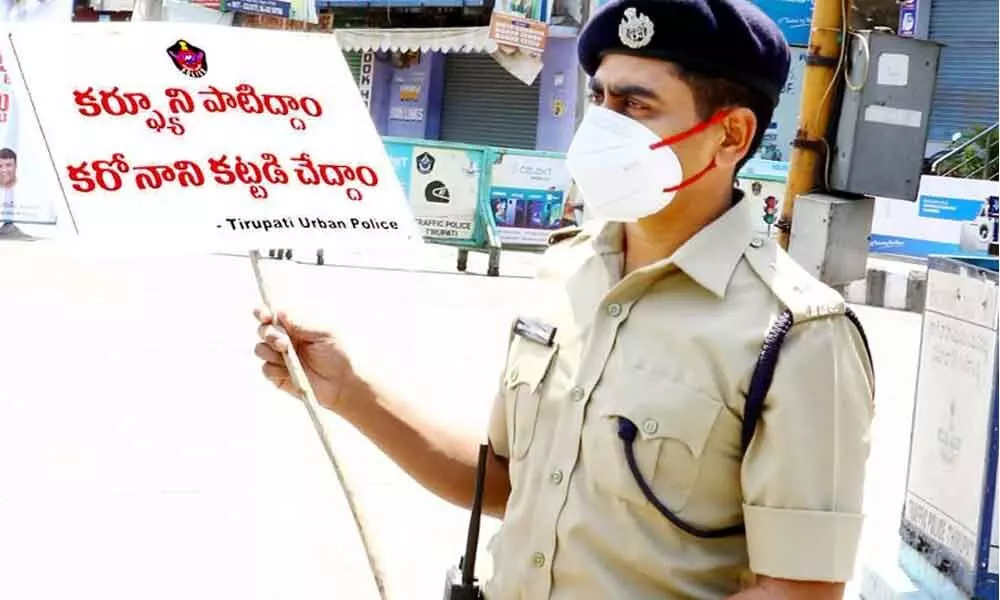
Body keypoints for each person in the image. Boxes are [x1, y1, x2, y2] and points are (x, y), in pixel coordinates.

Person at [253, 0, 875, 597]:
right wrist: (351, 393)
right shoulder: (567, 270)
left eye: (636, 105)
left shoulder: (799, 334)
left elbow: (799, 588)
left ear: (730, 136)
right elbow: (503, 483)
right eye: (601, 97)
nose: (603, 124)